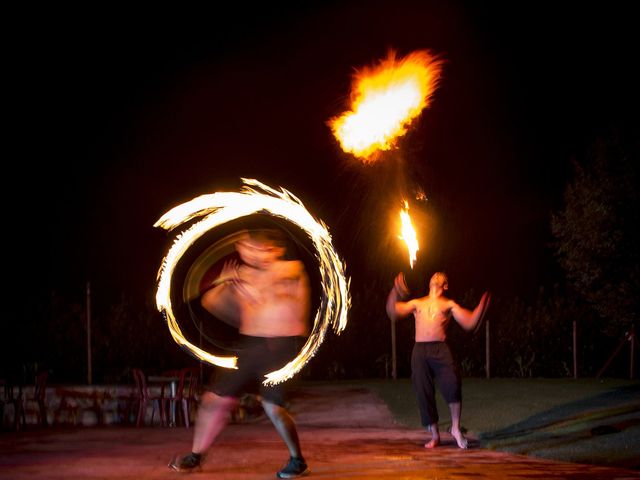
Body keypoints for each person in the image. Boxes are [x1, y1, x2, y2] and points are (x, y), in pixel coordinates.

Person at [169, 228, 311, 478]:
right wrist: (223, 284)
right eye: (244, 248)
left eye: (253, 248)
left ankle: (297, 459)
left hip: (280, 347)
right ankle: (196, 455)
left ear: (274, 249)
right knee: (213, 399)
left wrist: (257, 294)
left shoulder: (291, 270)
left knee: (273, 408)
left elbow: (289, 305)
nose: (246, 252)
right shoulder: (244, 275)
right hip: (252, 346)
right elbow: (212, 304)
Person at [386, 271, 490, 449]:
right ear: (429, 283)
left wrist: (481, 308)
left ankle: (456, 429)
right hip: (419, 350)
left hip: (440, 349)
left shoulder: (448, 304)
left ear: (445, 285)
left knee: (453, 383)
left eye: (440, 275)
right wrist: (395, 290)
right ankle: (435, 435)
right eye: (433, 275)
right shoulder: (418, 303)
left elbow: (470, 323)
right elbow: (393, 312)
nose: (436, 275)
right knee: (423, 391)